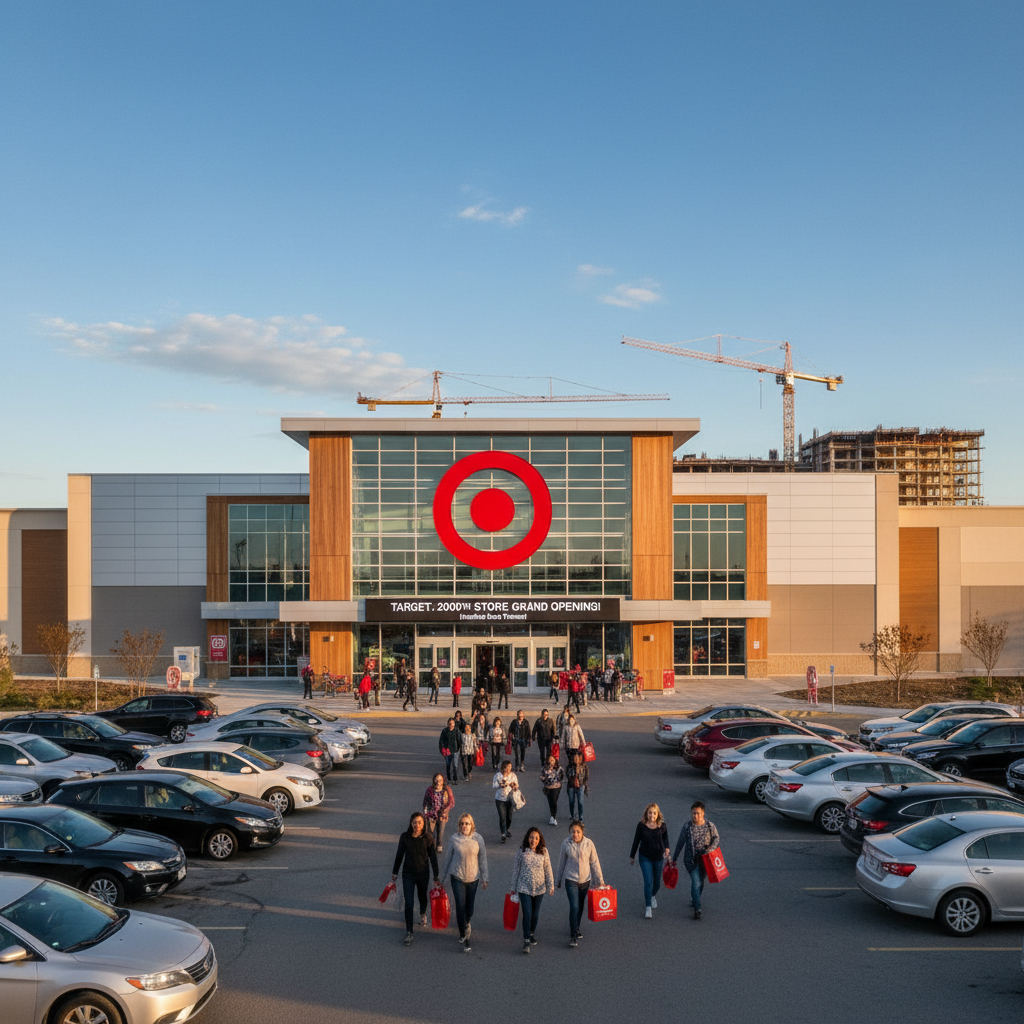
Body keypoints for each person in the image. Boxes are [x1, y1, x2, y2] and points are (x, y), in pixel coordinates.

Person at [439, 813, 488, 952]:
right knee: (460, 906)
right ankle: (463, 933)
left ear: (472, 825)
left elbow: (483, 858)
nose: (464, 826)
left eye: (467, 823)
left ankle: (467, 922)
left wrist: (485, 878)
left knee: (469, 907)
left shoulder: (478, 839)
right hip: (457, 877)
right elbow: (447, 859)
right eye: (462, 824)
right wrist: (441, 879)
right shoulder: (454, 839)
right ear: (459, 825)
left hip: (473, 878)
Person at [391, 812, 440, 946]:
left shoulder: (428, 837)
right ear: (411, 824)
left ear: (423, 824)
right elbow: (399, 855)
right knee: (409, 902)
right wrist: (395, 872)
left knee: (422, 897)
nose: (417, 825)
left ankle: (423, 913)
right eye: (414, 822)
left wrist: (436, 875)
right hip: (408, 874)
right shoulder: (405, 837)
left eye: (419, 822)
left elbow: (433, 857)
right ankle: (409, 931)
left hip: (423, 873)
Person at [555, 820, 605, 947]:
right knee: (574, 906)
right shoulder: (566, 844)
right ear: (569, 832)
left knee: (580, 906)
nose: (575, 834)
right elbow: (561, 863)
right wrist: (558, 881)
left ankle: (576, 927)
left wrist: (600, 880)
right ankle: (573, 936)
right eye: (573, 832)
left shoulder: (589, 844)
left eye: (578, 831)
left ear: (582, 832)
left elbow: (594, 863)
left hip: (585, 881)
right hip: (570, 880)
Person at [671, 800, 720, 921]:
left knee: (701, 882)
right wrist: (674, 858)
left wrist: (711, 848)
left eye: (698, 813)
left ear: (703, 813)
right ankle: (697, 909)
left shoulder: (710, 826)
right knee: (696, 882)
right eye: (693, 813)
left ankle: (694, 898)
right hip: (690, 861)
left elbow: (716, 838)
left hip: (705, 860)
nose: (695, 816)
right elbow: (680, 842)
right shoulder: (687, 826)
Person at [509, 827, 555, 954]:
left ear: (539, 840)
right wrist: (513, 888)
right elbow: (515, 870)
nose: (533, 840)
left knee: (535, 915)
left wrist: (551, 885)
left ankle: (531, 932)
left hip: (539, 889)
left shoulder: (544, 852)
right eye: (531, 837)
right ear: (527, 838)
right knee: (527, 914)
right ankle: (526, 940)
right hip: (524, 888)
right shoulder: (521, 851)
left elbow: (548, 870)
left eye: (536, 838)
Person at [630, 803, 671, 919]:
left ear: (657, 814)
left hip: (658, 858)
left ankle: (652, 895)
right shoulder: (641, 825)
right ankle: (648, 907)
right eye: (650, 812)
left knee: (657, 883)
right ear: (646, 813)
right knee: (648, 882)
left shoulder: (662, 826)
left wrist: (667, 848)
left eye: (654, 813)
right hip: (645, 857)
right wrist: (632, 856)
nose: (652, 815)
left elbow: (665, 838)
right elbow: (636, 840)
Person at [423, 773, 455, 853]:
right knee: (431, 832)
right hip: (432, 815)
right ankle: (432, 846)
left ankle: (439, 844)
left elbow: (451, 802)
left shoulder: (447, 789)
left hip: (442, 815)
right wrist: (427, 814)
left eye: (440, 780)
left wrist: (444, 811)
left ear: (443, 781)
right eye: (436, 780)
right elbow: (426, 802)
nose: (438, 782)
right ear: (434, 780)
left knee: (440, 831)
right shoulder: (430, 790)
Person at [492, 760, 520, 842]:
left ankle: (506, 829)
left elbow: (517, 785)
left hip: (510, 799)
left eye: (510, 767)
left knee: (509, 816)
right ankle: (503, 833)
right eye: (507, 767)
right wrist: (500, 785)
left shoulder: (513, 775)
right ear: (503, 767)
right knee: (502, 816)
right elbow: (494, 785)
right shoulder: (498, 775)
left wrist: (514, 786)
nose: (508, 769)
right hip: (499, 799)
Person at [565, 750, 589, 822]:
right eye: (574, 758)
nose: (576, 760)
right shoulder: (569, 767)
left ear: (581, 758)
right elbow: (567, 775)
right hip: (571, 786)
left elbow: (586, 776)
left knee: (580, 802)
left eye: (577, 758)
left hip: (581, 786)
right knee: (571, 801)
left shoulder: (584, 766)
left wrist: (583, 783)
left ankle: (580, 817)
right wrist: (573, 779)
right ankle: (572, 814)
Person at [540, 755, 564, 826]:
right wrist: (543, 779)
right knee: (550, 802)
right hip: (548, 787)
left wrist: (558, 781)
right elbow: (543, 777)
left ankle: (553, 816)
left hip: (557, 787)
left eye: (552, 760)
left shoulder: (559, 768)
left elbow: (562, 776)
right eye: (550, 760)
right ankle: (552, 815)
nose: (551, 762)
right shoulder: (544, 769)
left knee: (554, 801)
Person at [439, 718, 461, 785]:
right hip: (447, 751)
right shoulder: (445, 731)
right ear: (448, 723)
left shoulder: (457, 731)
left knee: (455, 765)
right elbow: (441, 741)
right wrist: (442, 750)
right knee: (448, 765)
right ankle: (449, 779)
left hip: (455, 751)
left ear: (454, 724)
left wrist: (459, 749)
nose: (451, 724)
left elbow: (459, 740)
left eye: (452, 723)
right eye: (450, 723)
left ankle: (455, 779)